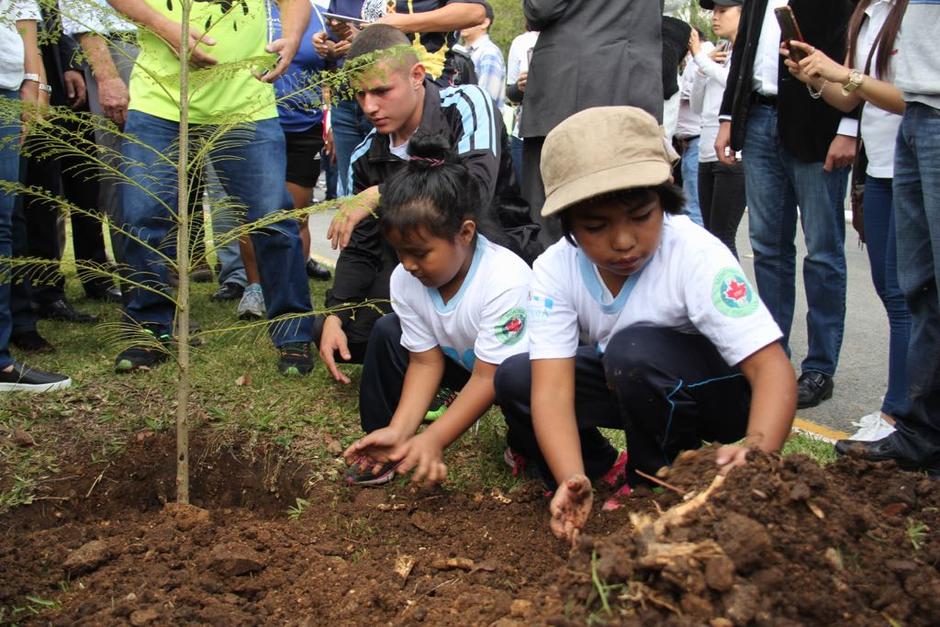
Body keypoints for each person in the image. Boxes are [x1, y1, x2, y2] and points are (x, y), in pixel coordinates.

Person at [494, 107, 796, 544]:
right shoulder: (555, 270)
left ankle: (657, 478)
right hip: (637, 384)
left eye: (641, 216)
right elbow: (552, 390)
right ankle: (601, 470)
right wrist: (570, 474)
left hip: (723, 397)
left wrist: (758, 449)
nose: (623, 241)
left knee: (632, 351)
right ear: (568, 226)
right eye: (596, 226)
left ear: (665, 199)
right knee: (518, 377)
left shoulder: (693, 253)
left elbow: (771, 368)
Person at [315, 25, 535, 387]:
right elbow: (361, 248)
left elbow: (473, 193)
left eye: (382, 91)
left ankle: (470, 367)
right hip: (419, 267)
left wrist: (381, 194)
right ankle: (442, 373)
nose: (370, 107)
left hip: (494, 251)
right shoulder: (364, 155)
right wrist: (336, 313)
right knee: (346, 332)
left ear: (417, 75)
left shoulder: (467, 104)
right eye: (360, 95)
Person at [106, 0, 316, 375]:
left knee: (271, 217)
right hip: (161, 100)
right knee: (142, 216)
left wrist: (293, 36)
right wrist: (164, 26)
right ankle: (150, 328)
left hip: (245, 101)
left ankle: (293, 333)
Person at [342, 132, 531, 485]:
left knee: (522, 390)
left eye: (420, 252)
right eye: (400, 252)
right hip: (462, 361)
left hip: (514, 375)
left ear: (465, 233)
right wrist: (401, 430)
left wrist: (435, 438)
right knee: (387, 331)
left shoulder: (506, 279)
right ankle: (388, 445)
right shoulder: (405, 279)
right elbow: (425, 361)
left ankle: (524, 443)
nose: (408, 265)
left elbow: (488, 378)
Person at [715, 0, 857, 409]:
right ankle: (770, 359)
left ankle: (820, 367)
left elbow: (856, 54)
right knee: (768, 248)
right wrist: (728, 116)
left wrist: (850, 127)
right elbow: (743, 53)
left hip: (819, 123)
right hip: (758, 119)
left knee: (824, 252)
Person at [782, 0, 910, 443]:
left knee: (909, 298)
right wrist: (816, 78)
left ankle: (899, 414)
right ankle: (900, 412)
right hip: (879, 172)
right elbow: (852, 97)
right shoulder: (867, 15)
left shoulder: (914, 12)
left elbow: (913, 96)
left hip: (912, 167)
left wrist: (845, 74)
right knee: (893, 293)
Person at [832, 1, 940, 477]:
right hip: (918, 112)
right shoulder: (872, 15)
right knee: (919, 289)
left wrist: (845, 77)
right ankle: (921, 437)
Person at [519, 1, 663, 244]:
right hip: (635, 83)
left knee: (551, 222)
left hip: (572, 84)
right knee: (628, 209)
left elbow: (540, 8)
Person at [314, 0, 487, 197]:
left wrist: (405, 23)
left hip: (414, 92)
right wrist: (332, 45)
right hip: (349, 95)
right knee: (352, 197)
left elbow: (475, 12)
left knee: (422, 188)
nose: (370, 107)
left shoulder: (469, 103)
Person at [1, 0, 71, 392]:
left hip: (7, 85)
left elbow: (21, 9)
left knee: (4, 221)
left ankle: (1, 362)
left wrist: (35, 80)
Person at [690, 0, 746, 257]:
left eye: (723, 11)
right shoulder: (720, 52)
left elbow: (735, 83)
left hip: (733, 154)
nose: (715, 17)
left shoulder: (747, 52)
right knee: (710, 236)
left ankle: (733, 296)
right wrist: (701, 70)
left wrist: (701, 59)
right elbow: (697, 105)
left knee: (723, 238)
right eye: (713, 11)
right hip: (706, 150)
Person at [504, 27, 538, 183]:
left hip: (561, 133)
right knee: (528, 197)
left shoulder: (572, 36)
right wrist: (520, 87)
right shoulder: (521, 42)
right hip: (524, 135)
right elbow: (511, 94)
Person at [459, 1, 504, 111]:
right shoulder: (459, 51)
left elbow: (485, 102)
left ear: (485, 23)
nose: (461, 22)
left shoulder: (489, 53)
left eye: (468, 17)